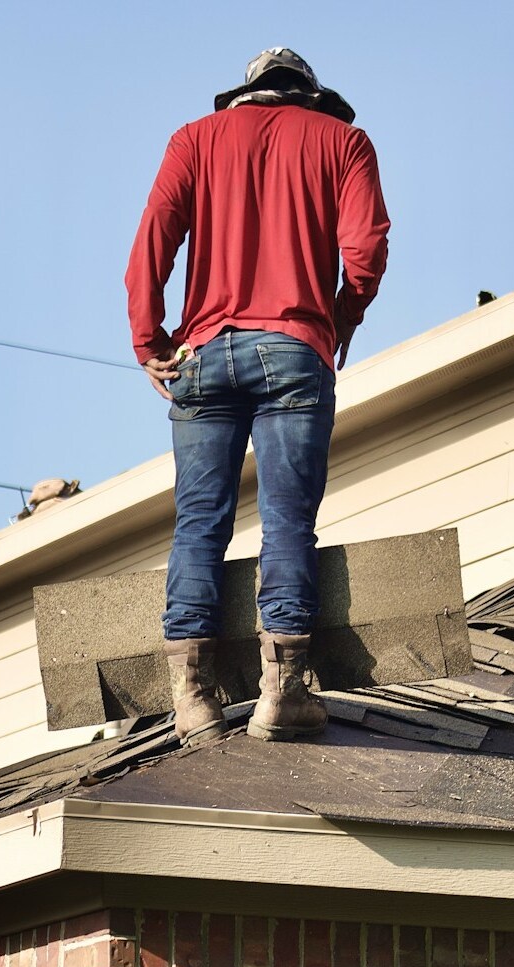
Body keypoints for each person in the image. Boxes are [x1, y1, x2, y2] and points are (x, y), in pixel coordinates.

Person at [127, 47, 390, 744]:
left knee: (198, 524)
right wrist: (336, 320)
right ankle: (283, 692)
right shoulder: (344, 141)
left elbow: (153, 239)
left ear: (245, 95)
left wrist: (148, 340)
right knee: (287, 520)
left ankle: (192, 698)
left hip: (204, 354)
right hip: (294, 348)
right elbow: (365, 251)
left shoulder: (194, 139)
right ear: (309, 96)